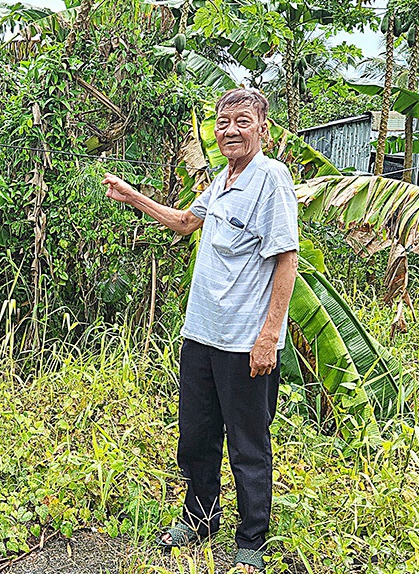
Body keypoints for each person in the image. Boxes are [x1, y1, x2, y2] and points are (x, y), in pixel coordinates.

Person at [101, 88, 298, 573]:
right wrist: (132, 197)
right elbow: (186, 222)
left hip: (243, 341)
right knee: (197, 433)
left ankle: (252, 539)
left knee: (248, 442)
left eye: (242, 121)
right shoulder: (222, 180)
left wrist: (269, 335)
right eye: (223, 121)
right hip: (202, 334)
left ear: (262, 128)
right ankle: (201, 516)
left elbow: (286, 257)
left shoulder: (271, 178)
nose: (231, 129)